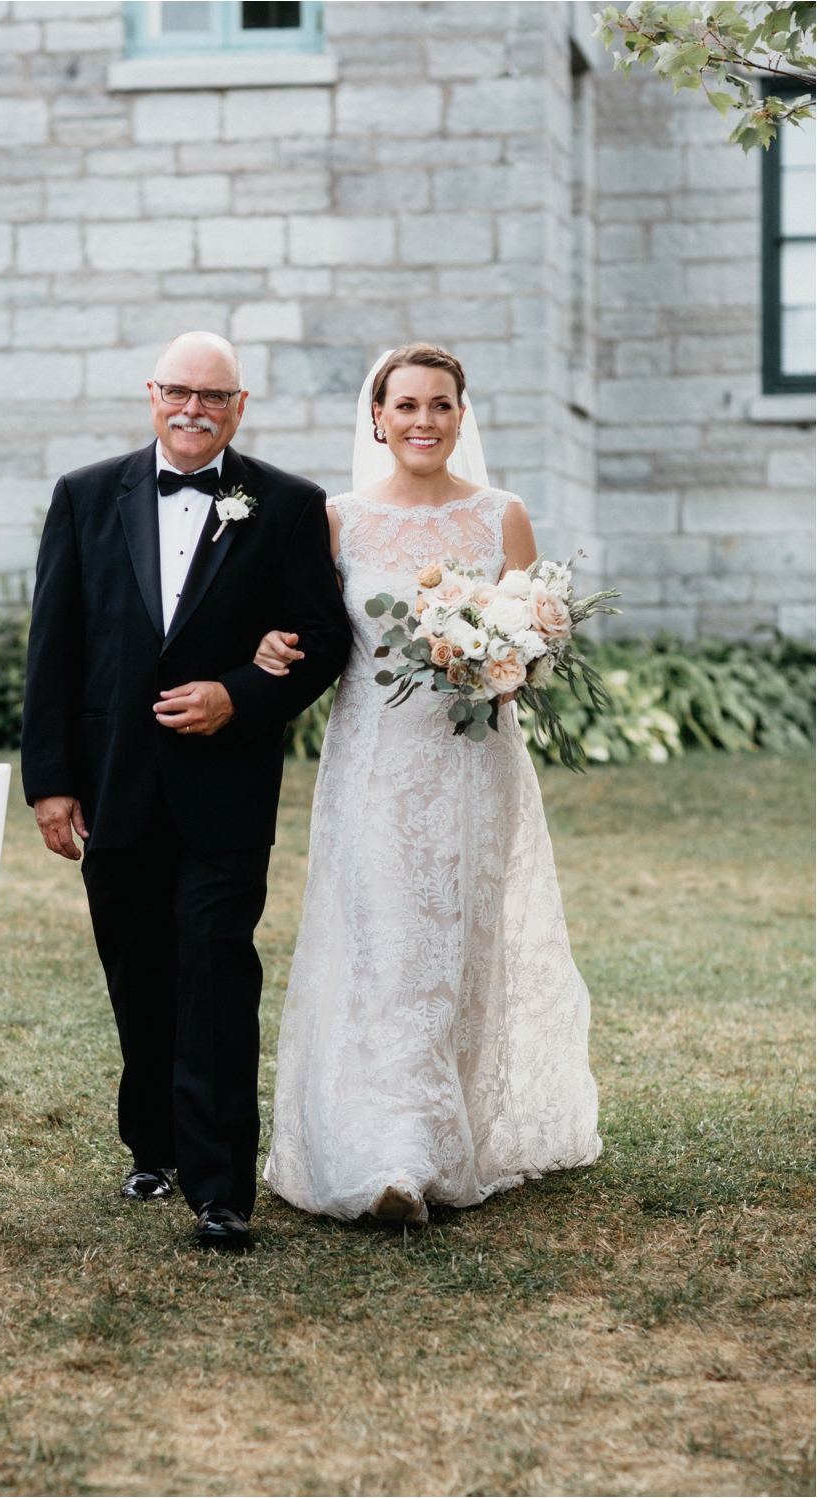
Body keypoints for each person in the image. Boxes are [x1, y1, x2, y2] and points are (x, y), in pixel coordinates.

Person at [21, 331, 352, 1251]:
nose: (194, 408)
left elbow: (321, 641)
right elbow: (55, 646)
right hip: (114, 784)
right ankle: (153, 1143)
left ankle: (220, 1190)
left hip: (224, 795)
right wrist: (49, 784)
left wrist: (236, 695)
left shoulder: (285, 505)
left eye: (214, 396)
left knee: (215, 969)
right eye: (179, 391)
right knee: (137, 972)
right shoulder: (86, 495)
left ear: (240, 406)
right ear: (153, 393)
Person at [261, 345, 601, 1226]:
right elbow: (303, 634)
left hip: (473, 765)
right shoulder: (338, 521)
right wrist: (266, 650)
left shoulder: (502, 519)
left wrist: (502, 656)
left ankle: (450, 1134)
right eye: (405, 404)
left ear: (461, 415)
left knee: (457, 949)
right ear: (377, 418)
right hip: (374, 768)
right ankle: (390, 1156)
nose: (422, 420)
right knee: (385, 951)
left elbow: (537, 649)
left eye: (439, 405)